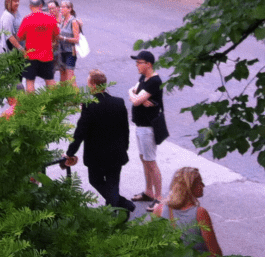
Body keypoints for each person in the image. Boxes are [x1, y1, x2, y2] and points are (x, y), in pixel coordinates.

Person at [64, 69, 135, 213]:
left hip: (96, 155)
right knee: (113, 184)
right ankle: (120, 207)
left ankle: (119, 210)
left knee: (95, 180)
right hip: (116, 153)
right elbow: (125, 129)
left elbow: (80, 132)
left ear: (94, 86)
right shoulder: (118, 102)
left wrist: (70, 152)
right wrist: (124, 147)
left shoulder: (89, 105)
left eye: (89, 84)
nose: (88, 87)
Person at [152, 167, 223, 254]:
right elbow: (215, 252)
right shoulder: (200, 213)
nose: (203, 185)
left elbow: (153, 245)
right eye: (200, 182)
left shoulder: (159, 209)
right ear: (190, 186)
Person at [128, 49, 164, 204]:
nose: (137, 65)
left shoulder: (155, 81)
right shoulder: (143, 78)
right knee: (144, 159)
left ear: (148, 64)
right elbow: (134, 91)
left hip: (148, 128)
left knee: (151, 161)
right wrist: (135, 95)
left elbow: (135, 100)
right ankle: (148, 192)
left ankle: (159, 197)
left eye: (139, 62)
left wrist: (137, 99)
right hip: (140, 126)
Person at [14, 0, 59, 92]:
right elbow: (56, 35)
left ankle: (32, 105)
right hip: (47, 55)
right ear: (41, 5)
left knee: (30, 81)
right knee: (50, 80)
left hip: (31, 55)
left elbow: (20, 37)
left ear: (30, 6)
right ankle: (54, 103)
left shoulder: (27, 19)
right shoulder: (50, 18)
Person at [57, 0, 82, 85]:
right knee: (62, 76)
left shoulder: (73, 21)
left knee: (70, 77)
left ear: (69, 9)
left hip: (70, 52)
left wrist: (63, 38)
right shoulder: (63, 20)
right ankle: (62, 96)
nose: (61, 9)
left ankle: (76, 97)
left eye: (63, 7)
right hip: (61, 51)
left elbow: (76, 39)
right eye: (60, 7)